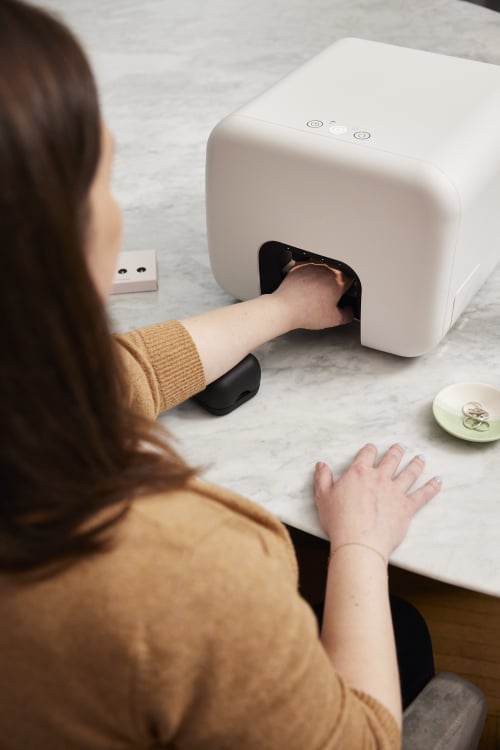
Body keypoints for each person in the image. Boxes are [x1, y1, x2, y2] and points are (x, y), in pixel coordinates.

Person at [0, 1, 442, 748]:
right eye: (105, 180)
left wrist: (282, 307)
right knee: (404, 630)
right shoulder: (177, 573)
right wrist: (362, 544)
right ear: (55, 249)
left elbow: (120, 375)